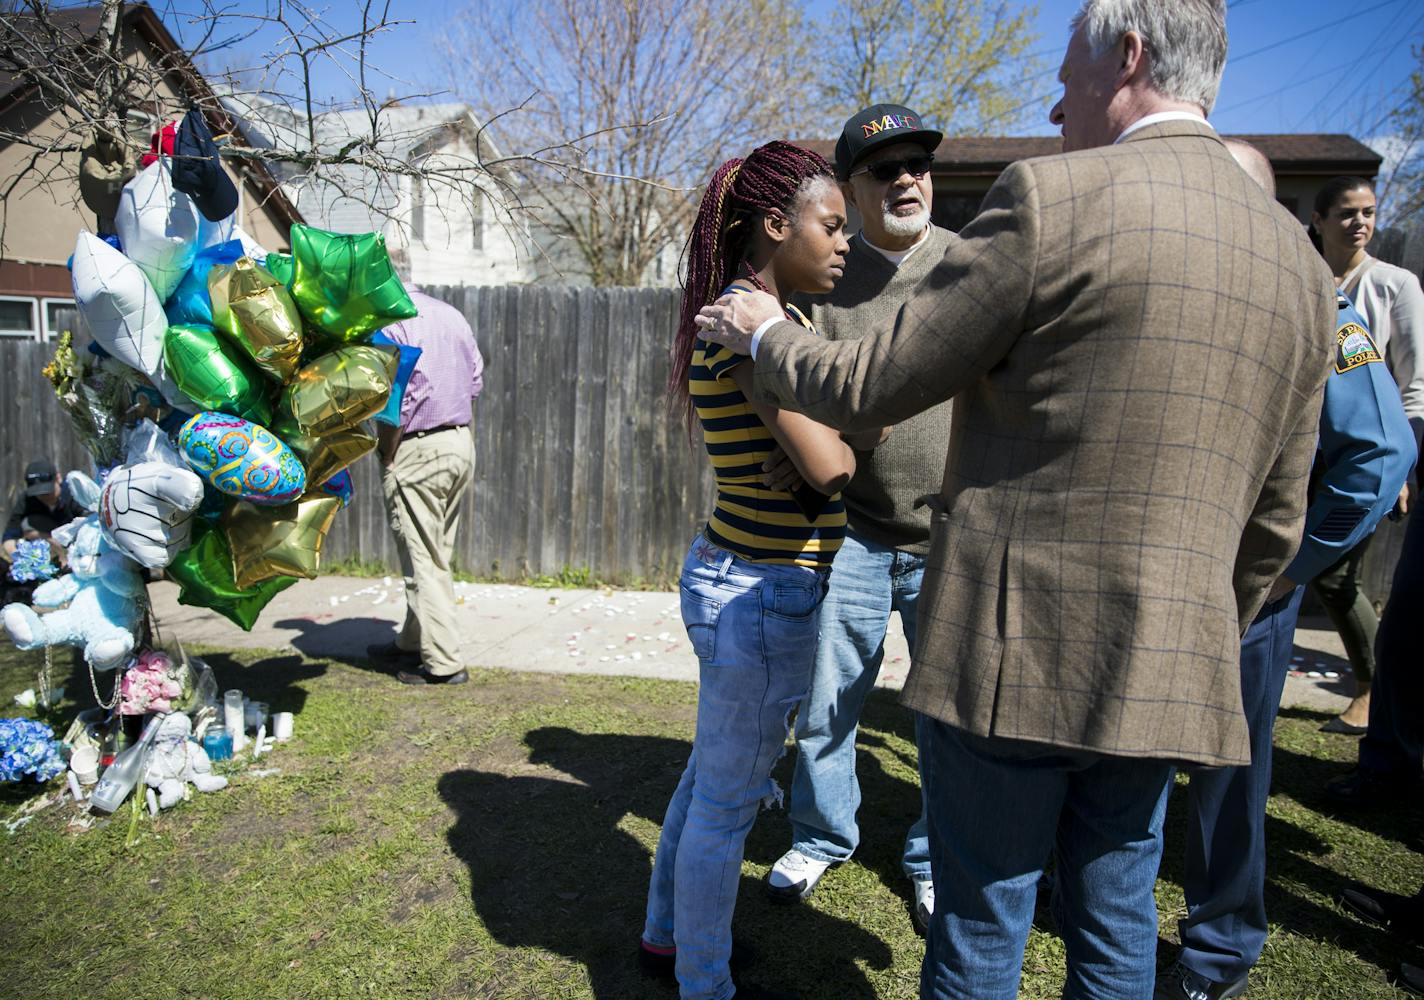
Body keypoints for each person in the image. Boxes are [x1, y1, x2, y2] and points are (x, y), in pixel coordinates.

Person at [694, 2, 1336, 995]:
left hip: (1011, 659)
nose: (1051, 99)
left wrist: (763, 336)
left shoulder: (1048, 200)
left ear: (1126, 58)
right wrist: (1201, 622)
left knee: (981, 934)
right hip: (1170, 665)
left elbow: (869, 384)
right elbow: (1277, 517)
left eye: (1068, 72)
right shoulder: (1299, 263)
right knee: (1116, 930)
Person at [1154, 140, 1415, 1000]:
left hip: (1244, 591)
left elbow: (1378, 456)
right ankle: (1107, 902)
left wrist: (1291, 563)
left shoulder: (1321, 309)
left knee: (1229, 773)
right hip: (1151, 572)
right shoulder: (1168, 288)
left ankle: (1219, 947)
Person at [639, 140, 853, 1000]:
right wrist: (824, 446)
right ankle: (703, 982)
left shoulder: (767, 324)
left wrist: (826, 440)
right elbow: (836, 465)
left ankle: (668, 939)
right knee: (727, 806)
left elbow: (844, 434)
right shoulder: (752, 329)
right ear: (775, 225)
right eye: (830, 226)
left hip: (739, 572)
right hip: (764, 590)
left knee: (710, 781)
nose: (844, 243)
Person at [761, 103, 953, 933]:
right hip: (859, 531)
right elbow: (803, 398)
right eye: (884, 169)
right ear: (852, 188)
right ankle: (822, 835)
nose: (907, 178)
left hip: (955, 533)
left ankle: (935, 856)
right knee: (831, 694)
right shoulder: (829, 279)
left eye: (917, 163)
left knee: (946, 712)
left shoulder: (975, 268)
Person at [1306, 175, 1424, 733]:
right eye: (1347, 212)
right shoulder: (1306, 277)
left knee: (1335, 577)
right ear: (1320, 219)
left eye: (1369, 212)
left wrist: (1402, 468)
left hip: (1367, 453)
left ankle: (1373, 691)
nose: (1360, 222)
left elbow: (1414, 381)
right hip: (1308, 451)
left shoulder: (1394, 284)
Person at [367, 289, 483, 686]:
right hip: (459, 442)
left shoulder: (391, 324)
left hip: (417, 447)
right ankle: (412, 640)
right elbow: (475, 382)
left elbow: (391, 401)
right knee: (436, 551)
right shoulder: (451, 315)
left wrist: (386, 454)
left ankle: (445, 663)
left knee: (424, 559)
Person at [3, 459, 85, 569]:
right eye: (39, 493)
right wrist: (22, 562)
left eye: (48, 491)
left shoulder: (74, 493)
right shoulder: (28, 499)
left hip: (76, 543)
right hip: (46, 546)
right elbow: (9, 535)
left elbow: (90, 527)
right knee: (28, 523)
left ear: (58, 478)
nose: (44, 496)